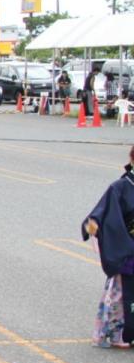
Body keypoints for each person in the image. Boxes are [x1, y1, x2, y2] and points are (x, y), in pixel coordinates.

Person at [82, 146, 134, 348]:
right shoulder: (120, 187)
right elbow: (102, 212)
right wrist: (93, 224)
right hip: (128, 247)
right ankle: (118, 333)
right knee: (121, 294)